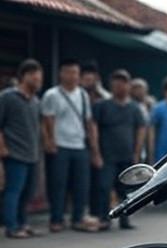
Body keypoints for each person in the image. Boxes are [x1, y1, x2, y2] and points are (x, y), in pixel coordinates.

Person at [41, 58, 102, 233]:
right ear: (61, 74)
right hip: (60, 146)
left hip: (80, 146)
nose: (72, 76)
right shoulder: (52, 95)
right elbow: (47, 121)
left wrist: (94, 150)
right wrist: (49, 141)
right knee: (58, 185)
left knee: (81, 185)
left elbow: (88, 122)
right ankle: (56, 219)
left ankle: (78, 218)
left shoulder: (82, 95)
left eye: (75, 72)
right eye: (68, 72)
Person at [92, 69, 146, 230]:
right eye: (116, 83)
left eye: (123, 83)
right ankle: (104, 218)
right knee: (104, 187)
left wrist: (137, 153)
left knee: (126, 190)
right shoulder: (102, 106)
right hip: (107, 155)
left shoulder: (135, 108)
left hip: (127, 155)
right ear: (111, 86)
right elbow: (93, 127)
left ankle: (125, 219)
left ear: (128, 85)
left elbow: (141, 129)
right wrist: (95, 152)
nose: (120, 86)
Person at [0, 59, 43, 239]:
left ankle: (23, 224)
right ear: (25, 76)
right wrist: (2, 148)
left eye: (40, 78)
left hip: (32, 154)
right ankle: (11, 227)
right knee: (13, 192)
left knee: (27, 194)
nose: (38, 81)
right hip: (14, 154)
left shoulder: (36, 101)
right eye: (35, 77)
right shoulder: (7, 97)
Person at [130, 78, 154, 163]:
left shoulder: (150, 104)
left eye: (141, 88)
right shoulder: (129, 105)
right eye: (135, 88)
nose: (139, 91)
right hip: (133, 137)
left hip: (147, 137)